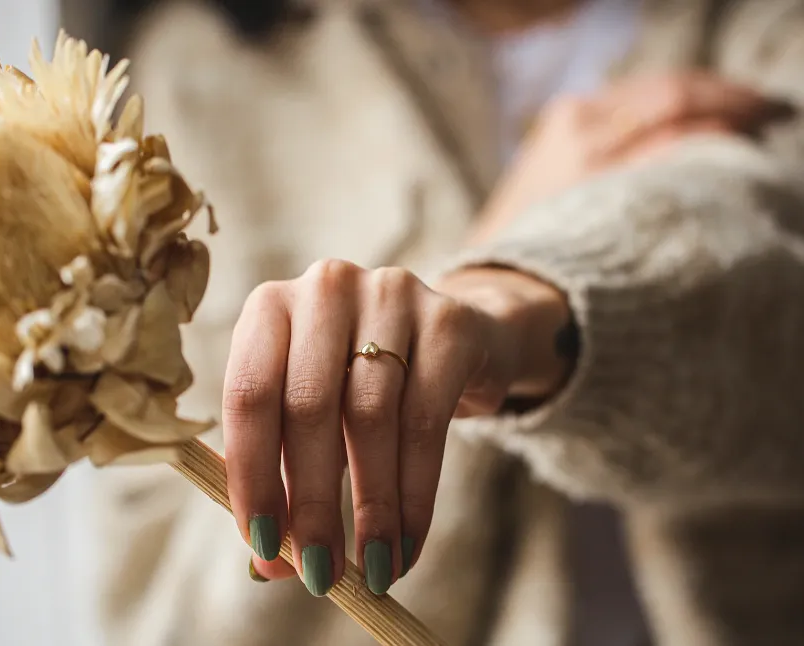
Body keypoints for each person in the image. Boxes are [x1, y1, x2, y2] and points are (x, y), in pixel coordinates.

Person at [67, 0, 804, 645]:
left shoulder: (755, 24)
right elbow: (170, 615)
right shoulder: (195, 72)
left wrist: (510, 298)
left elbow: (762, 266)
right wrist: (479, 265)